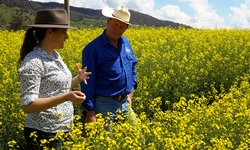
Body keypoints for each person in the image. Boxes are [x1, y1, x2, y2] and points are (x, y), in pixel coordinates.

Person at [18, 9, 91, 149]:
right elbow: (27, 105)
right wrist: (67, 97)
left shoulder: (55, 55)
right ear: (50, 32)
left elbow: (55, 88)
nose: (67, 37)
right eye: (63, 32)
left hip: (63, 129)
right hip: (44, 133)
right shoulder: (34, 62)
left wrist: (78, 79)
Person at [80, 5, 138, 123]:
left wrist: (130, 93)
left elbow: (132, 67)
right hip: (104, 103)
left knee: (138, 138)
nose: (117, 29)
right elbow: (87, 81)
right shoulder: (92, 49)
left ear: (126, 28)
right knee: (106, 140)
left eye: (121, 26)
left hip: (125, 102)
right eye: (115, 24)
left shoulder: (125, 42)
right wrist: (90, 110)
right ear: (108, 21)